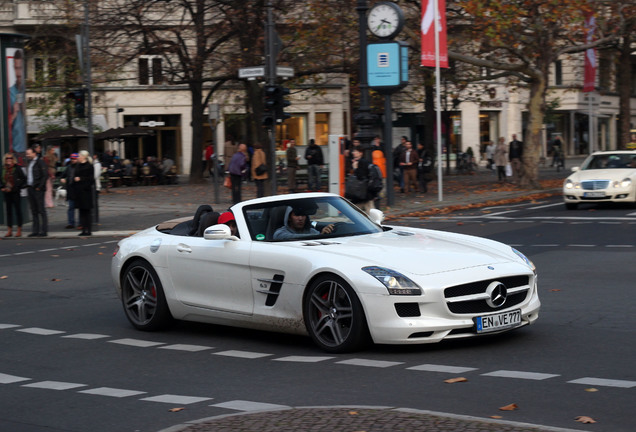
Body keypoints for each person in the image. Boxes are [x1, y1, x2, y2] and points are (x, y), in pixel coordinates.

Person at [1, 153, 26, 237]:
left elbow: (23, 178)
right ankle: (9, 230)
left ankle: (19, 229)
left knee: (18, 211)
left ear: (13, 159)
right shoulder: (3, 168)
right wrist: (2, 187)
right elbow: (1, 180)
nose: (9, 159)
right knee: (8, 212)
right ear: (5, 159)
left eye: (10, 158)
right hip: (7, 192)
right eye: (7, 158)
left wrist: (17, 186)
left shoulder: (17, 167)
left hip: (15, 192)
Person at [25, 146, 48, 237]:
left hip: (37, 189)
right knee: (34, 210)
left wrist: (39, 187)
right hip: (30, 188)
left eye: (29, 153)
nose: (27, 155)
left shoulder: (40, 162)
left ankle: (44, 231)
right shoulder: (30, 162)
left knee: (41, 210)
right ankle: (35, 230)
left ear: (34, 153)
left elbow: (44, 175)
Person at [347, 146, 376, 215]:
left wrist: (355, 168)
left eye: (355, 151)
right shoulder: (360, 162)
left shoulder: (362, 162)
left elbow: (360, 176)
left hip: (362, 192)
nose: (353, 153)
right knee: (369, 210)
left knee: (357, 211)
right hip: (364, 192)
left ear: (360, 153)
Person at [73, 151, 95, 236]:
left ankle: (88, 229)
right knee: (81, 211)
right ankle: (83, 229)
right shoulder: (77, 166)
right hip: (79, 191)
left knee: (87, 211)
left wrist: (81, 179)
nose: (78, 157)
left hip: (86, 192)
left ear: (83, 157)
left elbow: (91, 179)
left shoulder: (89, 166)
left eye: (79, 156)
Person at [9, 49, 26, 154]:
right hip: (15, 150)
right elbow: (5, 126)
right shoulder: (9, 92)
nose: (18, 73)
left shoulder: (26, 90)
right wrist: (14, 114)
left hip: (25, 151)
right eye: (16, 68)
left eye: (20, 68)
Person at [60, 153, 79, 228]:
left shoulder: (79, 167)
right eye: (72, 159)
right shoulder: (69, 167)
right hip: (70, 189)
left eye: (74, 159)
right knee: (71, 207)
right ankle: (71, 223)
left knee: (79, 207)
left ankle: (80, 223)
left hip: (77, 189)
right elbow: (62, 175)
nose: (73, 160)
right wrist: (62, 178)